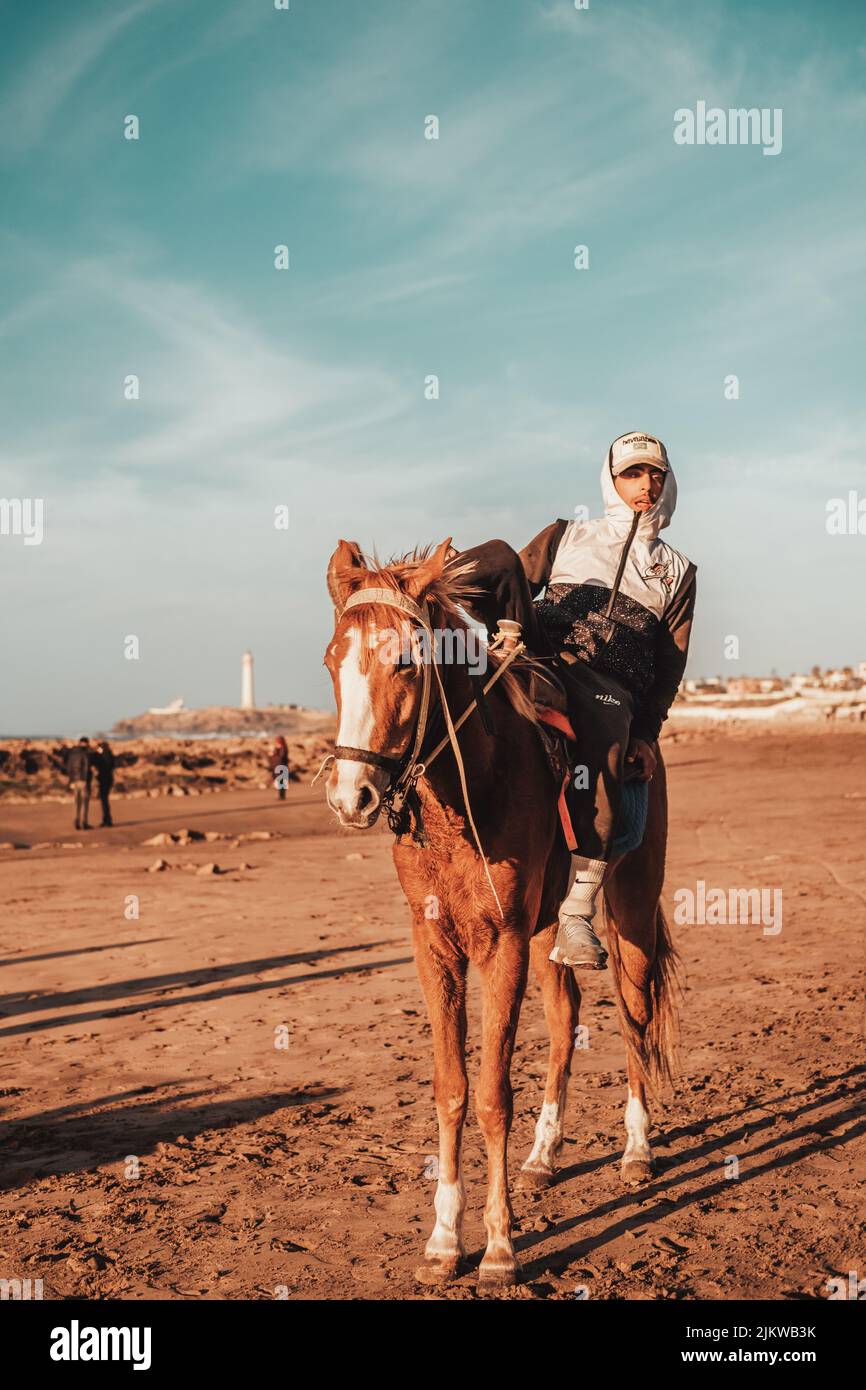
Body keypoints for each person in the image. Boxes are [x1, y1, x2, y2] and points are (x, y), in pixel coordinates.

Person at [456, 431, 697, 972]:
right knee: (495, 554)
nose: (646, 484)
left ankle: (577, 912)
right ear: (611, 481)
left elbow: (670, 666)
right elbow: (514, 573)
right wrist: (505, 623)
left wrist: (647, 733)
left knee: (608, 722)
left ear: (668, 483)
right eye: (633, 474)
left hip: (611, 682)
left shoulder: (678, 572)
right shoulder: (569, 534)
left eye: (656, 474)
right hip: (543, 650)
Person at [67, 737, 93, 831]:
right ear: (86, 743)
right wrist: (85, 780)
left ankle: (76, 821)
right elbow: (86, 768)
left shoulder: (72, 754)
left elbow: (69, 768)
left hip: (74, 781)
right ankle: (84, 823)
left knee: (76, 803)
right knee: (84, 803)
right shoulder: (85, 754)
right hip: (83, 780)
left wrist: (71, 781)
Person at [93, 739, 116, 827]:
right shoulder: (109, 755)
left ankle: (107, 820)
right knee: (104, 800)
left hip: (104, 780)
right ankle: (107, 819)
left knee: (104, 800)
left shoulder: (104, 756)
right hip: (107, 779)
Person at [270, 735, 290, 800]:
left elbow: (282, 756)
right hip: (278, 767)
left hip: (282, 766)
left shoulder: (283, 747)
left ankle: (282, 796)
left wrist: (277, 750)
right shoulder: (278, 747)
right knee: (280, 782)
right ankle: (281, 795)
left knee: (282, 782)